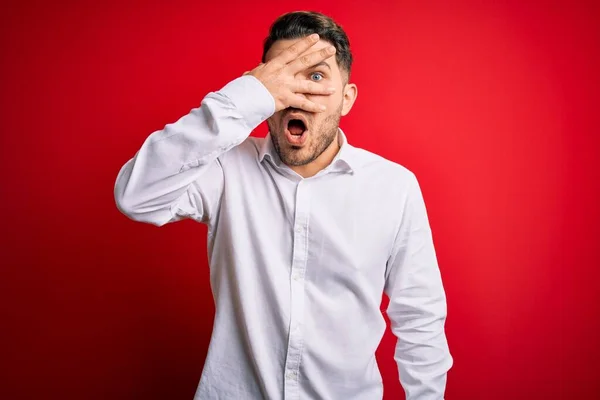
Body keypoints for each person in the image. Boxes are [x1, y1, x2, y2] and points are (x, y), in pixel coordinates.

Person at [114, 10, 452, 400]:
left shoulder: (394, 187)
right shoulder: (226, 167)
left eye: (316, 77)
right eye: (283, 76)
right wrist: (243, 98)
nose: (297, 94)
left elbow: (420, 318)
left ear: (346, 99)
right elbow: (136, 196)